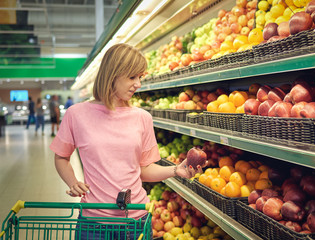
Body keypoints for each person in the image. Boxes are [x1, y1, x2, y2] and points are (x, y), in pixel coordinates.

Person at [49, 43, 206, 239]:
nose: (138, 84)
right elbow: (61, 157)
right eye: (132, 77)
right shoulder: (76, 114)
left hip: (135, 221)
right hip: (93, 221)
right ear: (112, 74)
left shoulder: (142, 117)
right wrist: (73, 182)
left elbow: (143, 170)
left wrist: (175, 170)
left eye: (140, 77)